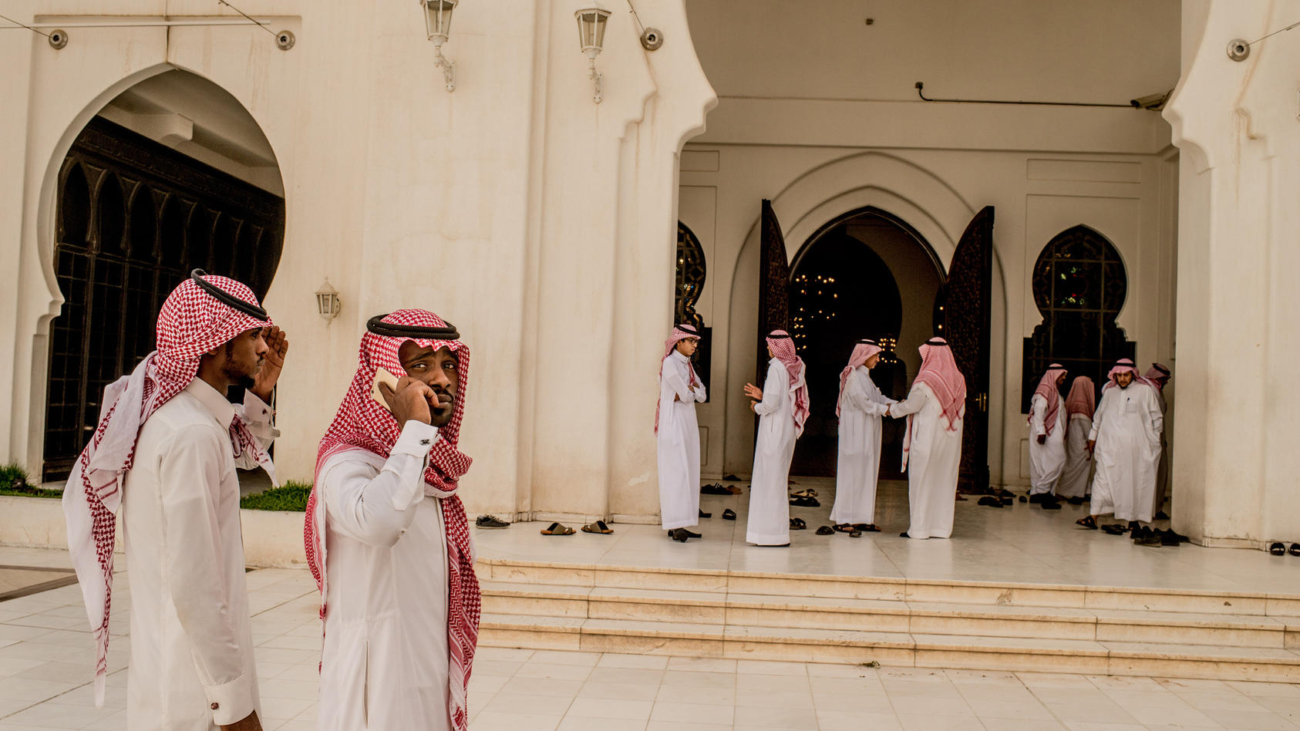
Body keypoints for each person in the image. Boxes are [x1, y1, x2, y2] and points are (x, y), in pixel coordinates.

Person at [62, 271, 287, 731]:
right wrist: (233, 705)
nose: (263, 348)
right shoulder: (192, 435)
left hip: (171, 672)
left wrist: (260, 395)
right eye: (251, 335)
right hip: (194, 692)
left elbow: (233, 454)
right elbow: (195, 582)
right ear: (215, 341)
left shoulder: (171, 418)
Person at [304, 310, 479, 731]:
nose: (441, 380)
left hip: (425, 678)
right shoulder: (346, 463)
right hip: (373, 694)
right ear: (383, 381)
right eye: (420, 366)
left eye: (449, 365)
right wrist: (415, 429)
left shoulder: (428, 470)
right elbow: (381, 523)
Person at [1077, 359, 1163, 541]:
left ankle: (1133, 519)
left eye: (1126, 375)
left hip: (1136, 451)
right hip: (1109, 447)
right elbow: (1098, 417)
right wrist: (1093, 436)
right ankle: (1093, 516)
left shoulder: (1145, 391)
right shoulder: (1109, 393)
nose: (1123, 379)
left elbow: (1157, 418)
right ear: (1114, 375)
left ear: (1133, 374)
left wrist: (1154, 441)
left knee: (1134, 483)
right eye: (1120, 375)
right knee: (1102, 479)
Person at [888, 338, 965, 540]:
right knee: (944, 481)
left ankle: (920, 529)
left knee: (922, 481)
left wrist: (893, 410)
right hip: (950, 441)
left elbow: (912, 406)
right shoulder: (958, 379)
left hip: (927, 440)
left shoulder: (926, 380)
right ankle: (941, 528)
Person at [743, 330, 809, 547]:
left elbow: (771, 404)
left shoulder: (776, 368)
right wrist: (763, 396)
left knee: (768, 481)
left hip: (773, 432)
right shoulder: (791, 369)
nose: (768, 349)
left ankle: (768, 535)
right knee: (776, 481)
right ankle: (776, 534)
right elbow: (782, 398)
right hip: (786, 431)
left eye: (770, 345)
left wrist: (756, 406)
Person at [830, 339, 893, 533]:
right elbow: (864, 403)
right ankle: (843, 519)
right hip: (855, 436)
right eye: (875, 355)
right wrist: (887, 411)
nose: (877, 359)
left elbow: (878, 398)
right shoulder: (853, 376)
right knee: (851, 475)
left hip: (867, 435)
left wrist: (898, 404)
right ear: (865, 356)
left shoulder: (866, 378)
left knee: (866, 474)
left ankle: (862, 519)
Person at [656, 323, 708, 542]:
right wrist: (689, 393)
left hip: (687, 422)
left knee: (688, 471)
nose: (695, 345)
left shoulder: (687, 366)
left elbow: (702, 394)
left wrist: (690, 391)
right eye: (691, 341)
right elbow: (686, 396)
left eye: (696, 342)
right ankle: (674, 524)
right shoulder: (670, 363)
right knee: (675, 473)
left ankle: (682, 524)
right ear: (679, 342)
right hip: (673, 422)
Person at [1027, 364, 1069, 508]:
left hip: (1049, 431)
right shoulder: (1047, 388)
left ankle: (1036, 493)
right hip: (1046, 432)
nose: (1064, 378)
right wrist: (1041, 431)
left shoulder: (1053, 390)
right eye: (1062, 375)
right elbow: (1038, 410)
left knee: (1041, 461)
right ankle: (1043, 491)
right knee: (1059, 459)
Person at [1056, 376, 1096, 504]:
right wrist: (1092, 440)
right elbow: (1087, 429)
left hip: (1072, 443)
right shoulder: (1082, 406)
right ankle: (1067, 492)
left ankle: (1084, 492)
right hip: (1081, 444)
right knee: (1078, 468)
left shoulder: (1073, 403)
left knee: (1074, 467)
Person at [1144, 363, 1172, 519]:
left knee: (1160, 474)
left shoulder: (1157, 391)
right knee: (1149, 475)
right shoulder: (1148, 390)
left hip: (1158, 440)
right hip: (1149, 440)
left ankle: (1156, 508)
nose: (1165, 382)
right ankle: (1148, 510)